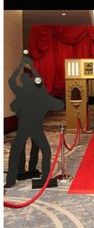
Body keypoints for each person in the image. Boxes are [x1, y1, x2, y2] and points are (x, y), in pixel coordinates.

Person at [5, 55, 64, 188]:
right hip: (36, 128)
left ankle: (10, 180)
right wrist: (31, 68)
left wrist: (21, 67)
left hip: (23, 127)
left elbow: (11, 81)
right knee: (46, 150)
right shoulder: (42, 96)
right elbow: (57, 103)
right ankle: (45, 178)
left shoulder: (22, 94)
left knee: (15, 151)